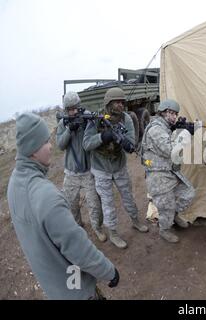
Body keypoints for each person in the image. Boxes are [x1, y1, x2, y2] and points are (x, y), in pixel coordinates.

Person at [7, 113, 119, 300]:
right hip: (75, 290)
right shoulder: (46, 196)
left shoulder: (14, 183)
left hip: (54, 286)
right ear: (33, 149)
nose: (51, 146)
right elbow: (78, 250)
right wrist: (109, 271)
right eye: (45, 142)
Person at [83, 87, 148, 249]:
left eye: (122, 102)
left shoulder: (125, 119)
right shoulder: (96, 119)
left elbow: (131, 141)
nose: (120, 105)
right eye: (116, 102)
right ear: (108, 103)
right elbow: (86, 144)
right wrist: (103, 137)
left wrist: (126, 143)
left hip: (119, 166)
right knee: (107, 203)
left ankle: (135, 221)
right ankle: (113, 233)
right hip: (101, 169)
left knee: (128, 197)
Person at [141, 99, 195, 243]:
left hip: (168, 171)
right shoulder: (156, 129)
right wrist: (186, 134)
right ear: (163, 112)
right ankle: (164, 229)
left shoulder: (165, 127)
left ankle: (174, 215)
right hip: (157, 175)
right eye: (171, 113)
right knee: (166, 206)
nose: (174, 117)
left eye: (175, 114)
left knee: (189, 193)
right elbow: (171, 150)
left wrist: (179, 130)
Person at [56, 92, 106, 242]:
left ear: (79, 106)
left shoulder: (87, 118)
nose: (73, 112)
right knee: (71, 203)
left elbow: (94, 137)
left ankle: (97, 228)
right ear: (66, 110)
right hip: (71, 172)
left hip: (88, 171)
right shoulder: (63, 123)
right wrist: (69, 130)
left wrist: (88, 124)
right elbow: (60, 145)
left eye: (75, 108)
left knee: (94, 203)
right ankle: (78, 226)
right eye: (69, 109)